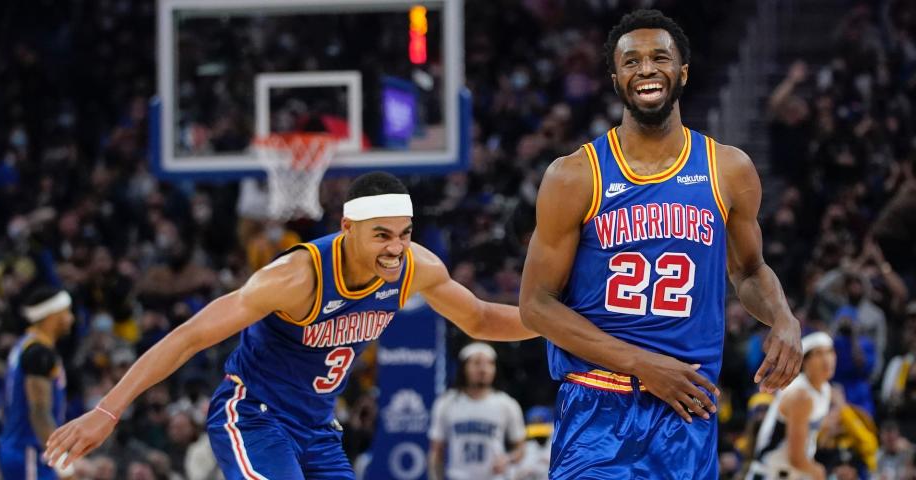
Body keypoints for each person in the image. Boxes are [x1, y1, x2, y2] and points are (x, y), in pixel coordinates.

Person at [44, 172, 537, 479]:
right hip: (255, 416)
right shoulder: (295, 277)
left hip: (319, 427)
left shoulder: (415, 267)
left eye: (404, 235)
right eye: (381, 235)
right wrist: (106, 412)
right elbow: (188, 336)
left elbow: (481, 317)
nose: (395, 247)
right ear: (347, 229)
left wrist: (564, 324)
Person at [518, 9, 803, 479]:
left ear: (682, 71)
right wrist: (643, 365)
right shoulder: (574, 175)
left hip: (688, 410)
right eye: (631, 62)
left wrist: (784, 318)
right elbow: (536, 305)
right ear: (614, 78)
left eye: (659, 57)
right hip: (598, 408)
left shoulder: (728, 170)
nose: (646, 69)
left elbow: (750, 272)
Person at [0, 286, 75, 479]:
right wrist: (63, 464)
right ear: (53, 315)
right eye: (67, 312)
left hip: (21, 448)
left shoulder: (26, 344)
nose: (71, 318)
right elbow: (39, 411)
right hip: (29, 451)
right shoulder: (38, 353)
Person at [428, 343, 526, 480]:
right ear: (463, 368)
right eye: (477, 363)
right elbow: (436, 451)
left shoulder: (507, 404)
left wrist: (507, 459)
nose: (483, 369)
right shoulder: (446, 403)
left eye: (489, 364)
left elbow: (521, 449)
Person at [747, 332, 835, 480]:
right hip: (770, 473)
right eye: (818, 354)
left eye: (830, 352)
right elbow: (796, 458)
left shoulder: (825, 389)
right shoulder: (800, 396)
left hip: (793, 472)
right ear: (805, 362)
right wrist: (818, 471)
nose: (827, 359)